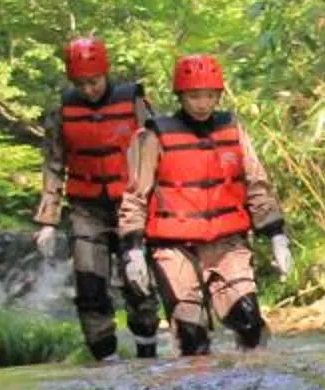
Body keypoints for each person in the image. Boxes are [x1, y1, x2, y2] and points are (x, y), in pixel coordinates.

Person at [119, 54, 294, 357]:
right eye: (194, 96)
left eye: (209, 96)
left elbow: (256, 183)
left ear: (218, 96)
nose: (202, 103)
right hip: (174, 248)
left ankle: (254, 387)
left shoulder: (233, 130)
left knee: (249, 321)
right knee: (191, 336)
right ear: (181, 96)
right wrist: (132, 248)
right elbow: (136, 194)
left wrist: (277, 234)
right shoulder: (153, 135)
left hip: (227, 243)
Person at [33, 36, 161, 361]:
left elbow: (157, 152)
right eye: (81, 83)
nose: (89, 89)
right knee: (89, 285)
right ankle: (105, 356)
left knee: (139, 280)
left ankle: (147, 348)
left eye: (94, 81)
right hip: (86, 208)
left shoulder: (134, 102)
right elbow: (53, 162)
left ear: (106, 73)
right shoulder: (63, 109)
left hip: (132, 205)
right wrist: (48, 221)